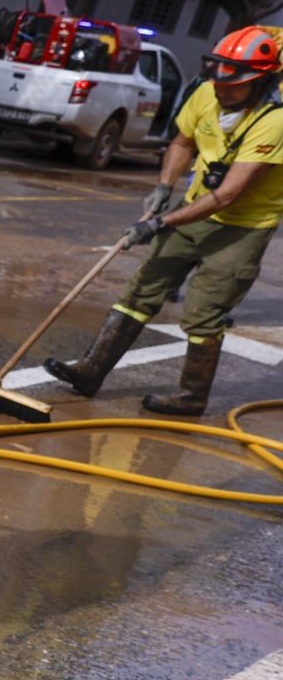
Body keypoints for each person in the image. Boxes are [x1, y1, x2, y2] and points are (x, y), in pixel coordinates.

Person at [44, 25, 282, 416]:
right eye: (218, 80)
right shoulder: (208, 92)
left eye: (234, 86)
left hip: (242, 227)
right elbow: (182, 142)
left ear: (261, 82)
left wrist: (159, 223)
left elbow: (227, 194)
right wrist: (163, 186)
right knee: (140, 292)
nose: (222, 91)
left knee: (204, 312)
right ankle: (90, 371)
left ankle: (191, 397)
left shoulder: (275, 122)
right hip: (192, 209)